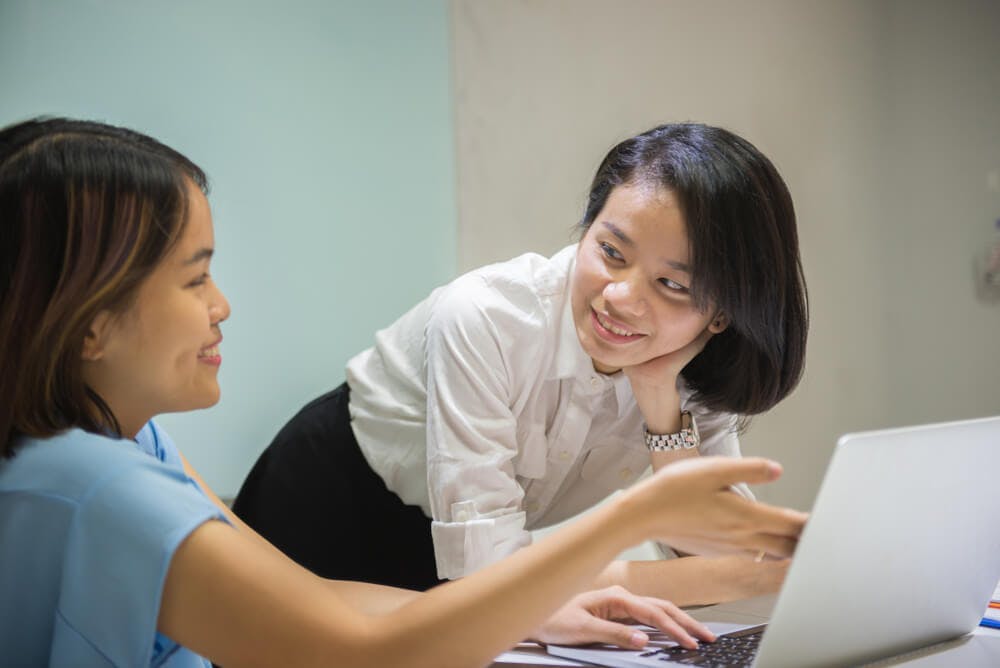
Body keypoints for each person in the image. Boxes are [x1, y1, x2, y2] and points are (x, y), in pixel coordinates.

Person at [0, 117, 807, 668]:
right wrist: (632, 528)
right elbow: (366, 652)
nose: (223, 306)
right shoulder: (103, 484)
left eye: (672, 284)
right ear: (88, 326)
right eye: (195, 277)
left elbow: (322, 605)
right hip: (346, 494)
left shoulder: (132, 440)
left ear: (723, 311)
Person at [234, 122, 810, 603]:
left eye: (671, 284)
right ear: (587, 229)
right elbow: (487, 578)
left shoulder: (689, 372)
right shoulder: (484, 317)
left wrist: (660, 403)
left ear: (721, 316)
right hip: (330, 502)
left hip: (463, 566)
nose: (620, 297)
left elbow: (720, 555)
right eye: (610, 252)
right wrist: (670, 581)